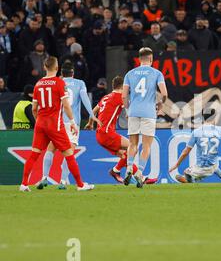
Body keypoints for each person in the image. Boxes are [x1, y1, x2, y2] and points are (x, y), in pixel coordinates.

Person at [19, 56, 94, 192]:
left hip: (40, 123)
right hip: (55, 124)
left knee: (34, 154)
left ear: (44, 67)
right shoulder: (59, 83)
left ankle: (24, 184)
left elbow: (34, 108)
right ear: (57, 67)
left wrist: (38, 122)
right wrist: (72, 121)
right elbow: (66, 105)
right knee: (68, 154)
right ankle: (80, 185)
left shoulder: (38, 84)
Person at [37, 61, 99, 189]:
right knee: (69, 152)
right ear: (73, 73)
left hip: (56, 122)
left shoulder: (56, 82)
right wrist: (92, 115)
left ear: (61, 73)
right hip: (72, 122)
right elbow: (85, 99)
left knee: (51, 148)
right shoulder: (80, 83)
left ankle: (44, 177)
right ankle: (63, 180)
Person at [86, 76, 157, 185]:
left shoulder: (106, 97)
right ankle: (115, 170)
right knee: (133, 147)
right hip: (107, 133)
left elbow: (93, 111)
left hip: (99, 135)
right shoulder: (120, 97)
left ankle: (141, 177)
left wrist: (90, 124)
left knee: (126, 155)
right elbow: (130, 113)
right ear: (123, 87)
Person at [122, 47, 168, 188]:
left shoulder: (130, 74)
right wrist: (160, 104)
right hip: (149, 112)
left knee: (132, 144)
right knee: (146, 145)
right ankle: (139, 172)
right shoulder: (157, 73)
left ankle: (129, 167)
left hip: (134, 112)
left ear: (139, 59)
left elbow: (124, 96)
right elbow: (164, 93)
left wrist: (127, 109)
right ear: (151, 59)